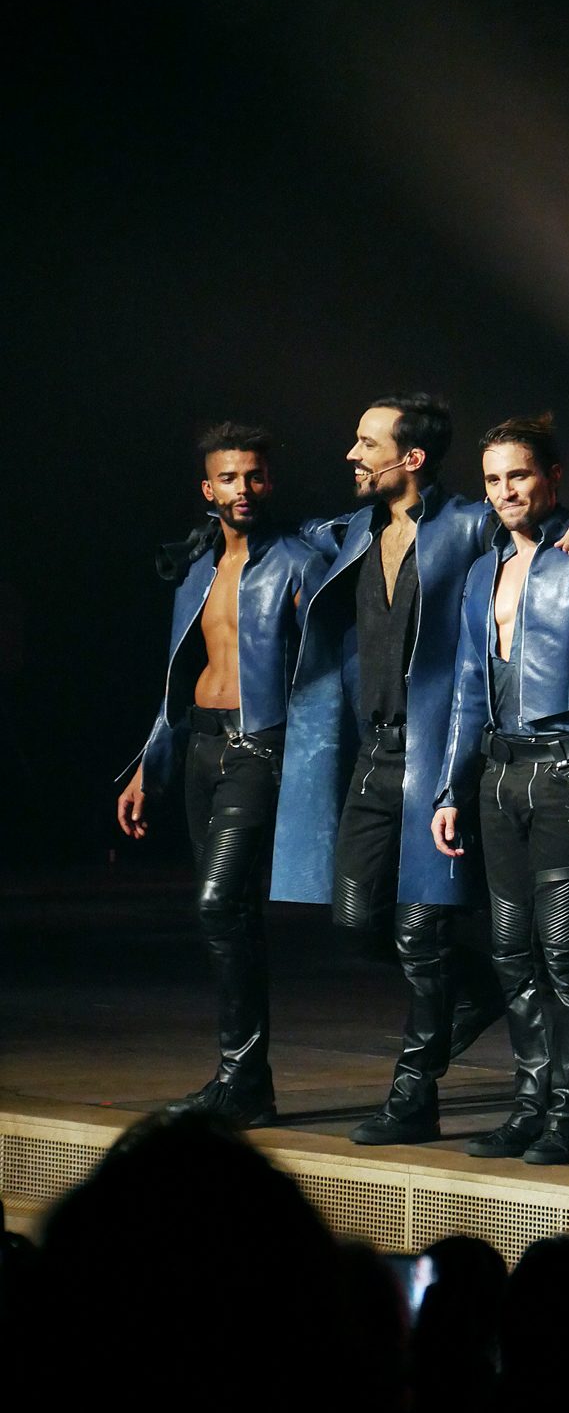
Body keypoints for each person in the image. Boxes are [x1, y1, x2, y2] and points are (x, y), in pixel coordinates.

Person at [270, 394, 569, 1146]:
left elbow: (541, 524)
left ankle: (415, 1093)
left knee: (422, 932)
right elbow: (295, 535)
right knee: (357, 919)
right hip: (374, 753)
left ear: (411, 457)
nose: (352, 455)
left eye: (366, 443)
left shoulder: (466, 522)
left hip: (439, 753)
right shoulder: (354, 531)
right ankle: (486, 988)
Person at [433, 414, 569, 1164]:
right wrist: (449, 790)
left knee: (565, 951)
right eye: (493, 479)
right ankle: (531, 1104)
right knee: (509, 950)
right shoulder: (481, 573)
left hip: (567, 776)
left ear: (552, 477)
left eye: (519, 475)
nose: (505, 491)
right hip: (499, 777)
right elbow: (467, 690)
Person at [116, 423, 326, 1126]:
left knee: (215, 904)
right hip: (201, 749)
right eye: (229, 478)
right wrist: (149, 766)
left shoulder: (298, 562)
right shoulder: (196, 568)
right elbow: (178, 679)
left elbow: (328, 674)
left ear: (270, 481)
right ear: (208, 489)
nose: (244, 488)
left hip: (258, 748)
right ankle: (248, 1084)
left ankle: (240, 1077)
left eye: (255, 475)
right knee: (230, 914)